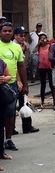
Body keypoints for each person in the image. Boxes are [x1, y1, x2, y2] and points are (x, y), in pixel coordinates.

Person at [0, 22, 28, 150]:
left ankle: (9, 139)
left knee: (11, 113)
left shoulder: (16, 48)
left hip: (12, 85)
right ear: (0, 32)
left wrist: (24, 83)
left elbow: (21, 66)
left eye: (9, 31)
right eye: (4, 30)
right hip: (0, 84)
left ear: (12, 33)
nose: (7, 33)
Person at [13, 26, 39, 134]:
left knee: (24, 101)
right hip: (15, 78)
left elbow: (26, 63)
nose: (23, 38)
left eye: (24, 36)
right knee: (12, 105)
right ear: (15, 36)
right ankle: (12, 128)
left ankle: (27, 126)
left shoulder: (25, 46)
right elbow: (15, 66)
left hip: (24, 76)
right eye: (20, 36)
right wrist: (19, 80)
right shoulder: (13, 46)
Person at [33, 32, 53, 108]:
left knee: (51, 84)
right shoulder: (39, 47)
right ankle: (42, 101)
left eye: (44, 38)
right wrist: (38, 44)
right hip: (41, 68)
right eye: (41, 38)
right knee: (43, 85)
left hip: (49, 67)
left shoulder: (49, 46)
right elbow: (33, 51)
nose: (43, 40)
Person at [0, 58, 13, 171]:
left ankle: (1, 153)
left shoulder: (1, 62)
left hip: (1, 98)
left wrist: (4, 78)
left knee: (1, 127)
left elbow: (9, 76)